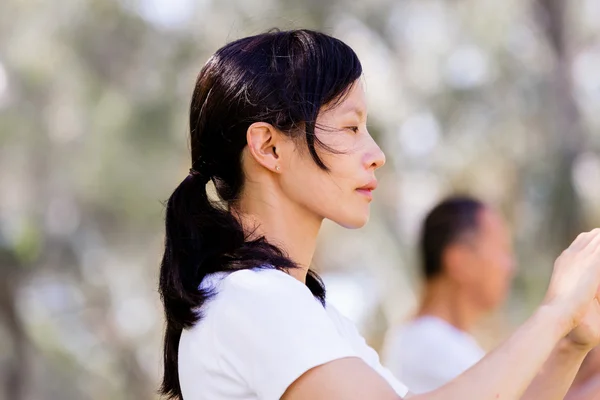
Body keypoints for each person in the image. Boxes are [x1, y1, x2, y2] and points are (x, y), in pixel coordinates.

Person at [158, 29, 600, 400]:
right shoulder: (251, 297)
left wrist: (569, 344)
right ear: (269, 147)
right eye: (351, 128)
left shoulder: (308, 309)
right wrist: (555, 311)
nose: (377, 155)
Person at [382, 197, 515, 393]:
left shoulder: (443, 341)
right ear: (459, 260)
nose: (510, 266)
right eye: (502, 249)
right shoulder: (428, 345)